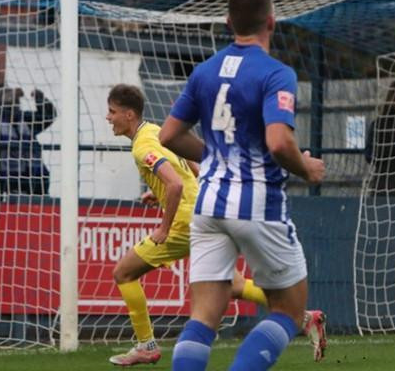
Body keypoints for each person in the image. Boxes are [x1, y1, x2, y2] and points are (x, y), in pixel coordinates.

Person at [158, 0, 326, 371]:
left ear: (228, 22)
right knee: (289, 306)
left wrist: (218, 159)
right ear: (272, 22)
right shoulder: (276, 73)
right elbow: (280, 142)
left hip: (209, 204)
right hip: (256, 205)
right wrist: (307, 168)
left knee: (203, 316)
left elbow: (169, 135)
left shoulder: (204, 71)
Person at [105, 84, 327, 366]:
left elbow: (173, 184)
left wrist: (163, 227)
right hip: (204, 211)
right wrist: (157, 191)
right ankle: (306, 318)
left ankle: (145, 345)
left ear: (129, 114)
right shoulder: (153, 131)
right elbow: (190, 168)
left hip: (184, 223)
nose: (108, 117)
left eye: (112, 112)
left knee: (123, 272)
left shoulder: (142, 146)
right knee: (232, 285)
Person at [0, 87, 55, 195]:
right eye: (9, 100)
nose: (13, 104)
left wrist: (39, 99)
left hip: (27, 173)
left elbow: (47, 117)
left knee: (41, 179)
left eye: (15, 101)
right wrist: (6, 100)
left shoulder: (23, 119)